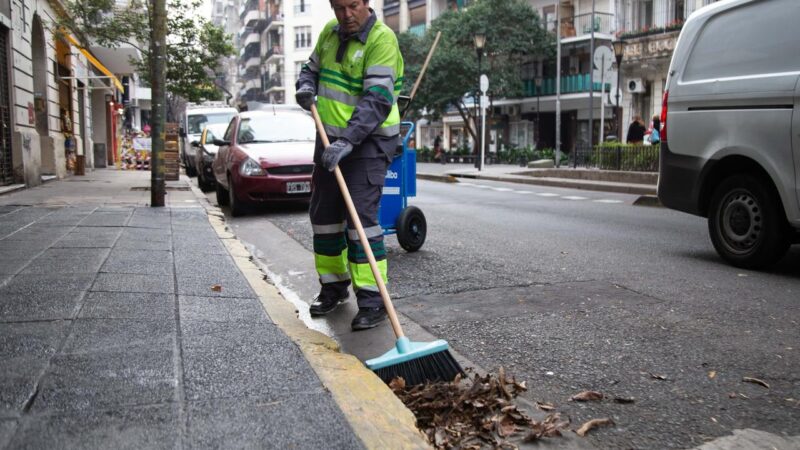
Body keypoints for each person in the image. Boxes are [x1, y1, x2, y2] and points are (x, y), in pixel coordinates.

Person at [295, 0, 403, 331]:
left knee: (361, 222)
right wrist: (305, 85)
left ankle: (373, 301)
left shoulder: (382, 40)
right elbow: (310, 69)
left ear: (366, 3)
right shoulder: (330, 33)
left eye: (353, 6)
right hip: (329, 140)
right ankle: (333, 288)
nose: (347, 15)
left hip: (368, 142)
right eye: (339, 7)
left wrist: (349, 140)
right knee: (324, 218)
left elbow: (378, 100)